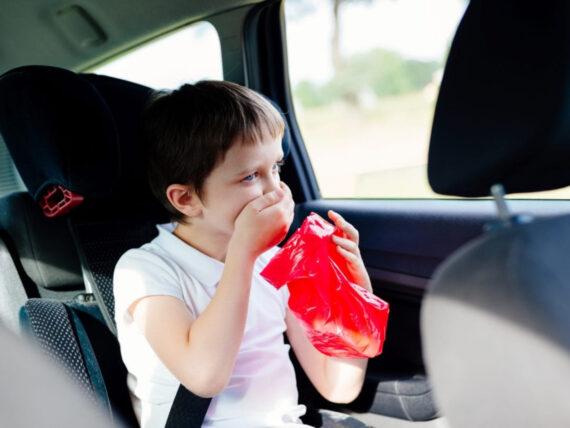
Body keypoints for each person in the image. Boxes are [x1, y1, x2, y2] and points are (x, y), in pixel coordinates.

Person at [113, 81, 374, 428]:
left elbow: (339, 385)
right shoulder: (144, 271)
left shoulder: (273, 262)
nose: (276, 189)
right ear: (186, 199)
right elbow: (204, 377)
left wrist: (355, 294)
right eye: (250, 176)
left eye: (276, 168)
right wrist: (243, 253)